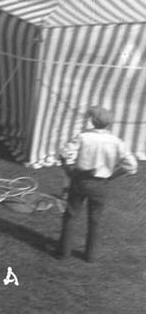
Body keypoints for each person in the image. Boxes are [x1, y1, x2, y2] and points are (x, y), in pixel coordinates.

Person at [56, 106, 138, 262]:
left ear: (92, 121)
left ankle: (63, 252)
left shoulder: (83, 137)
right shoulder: (117, 142)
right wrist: (112, 176)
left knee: (71, 215)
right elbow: (131, 165)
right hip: (101, 184)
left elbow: (64, 154)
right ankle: (90, 256)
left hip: (80, 180)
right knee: (95, 219)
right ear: (108, 124)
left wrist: (68, 171)